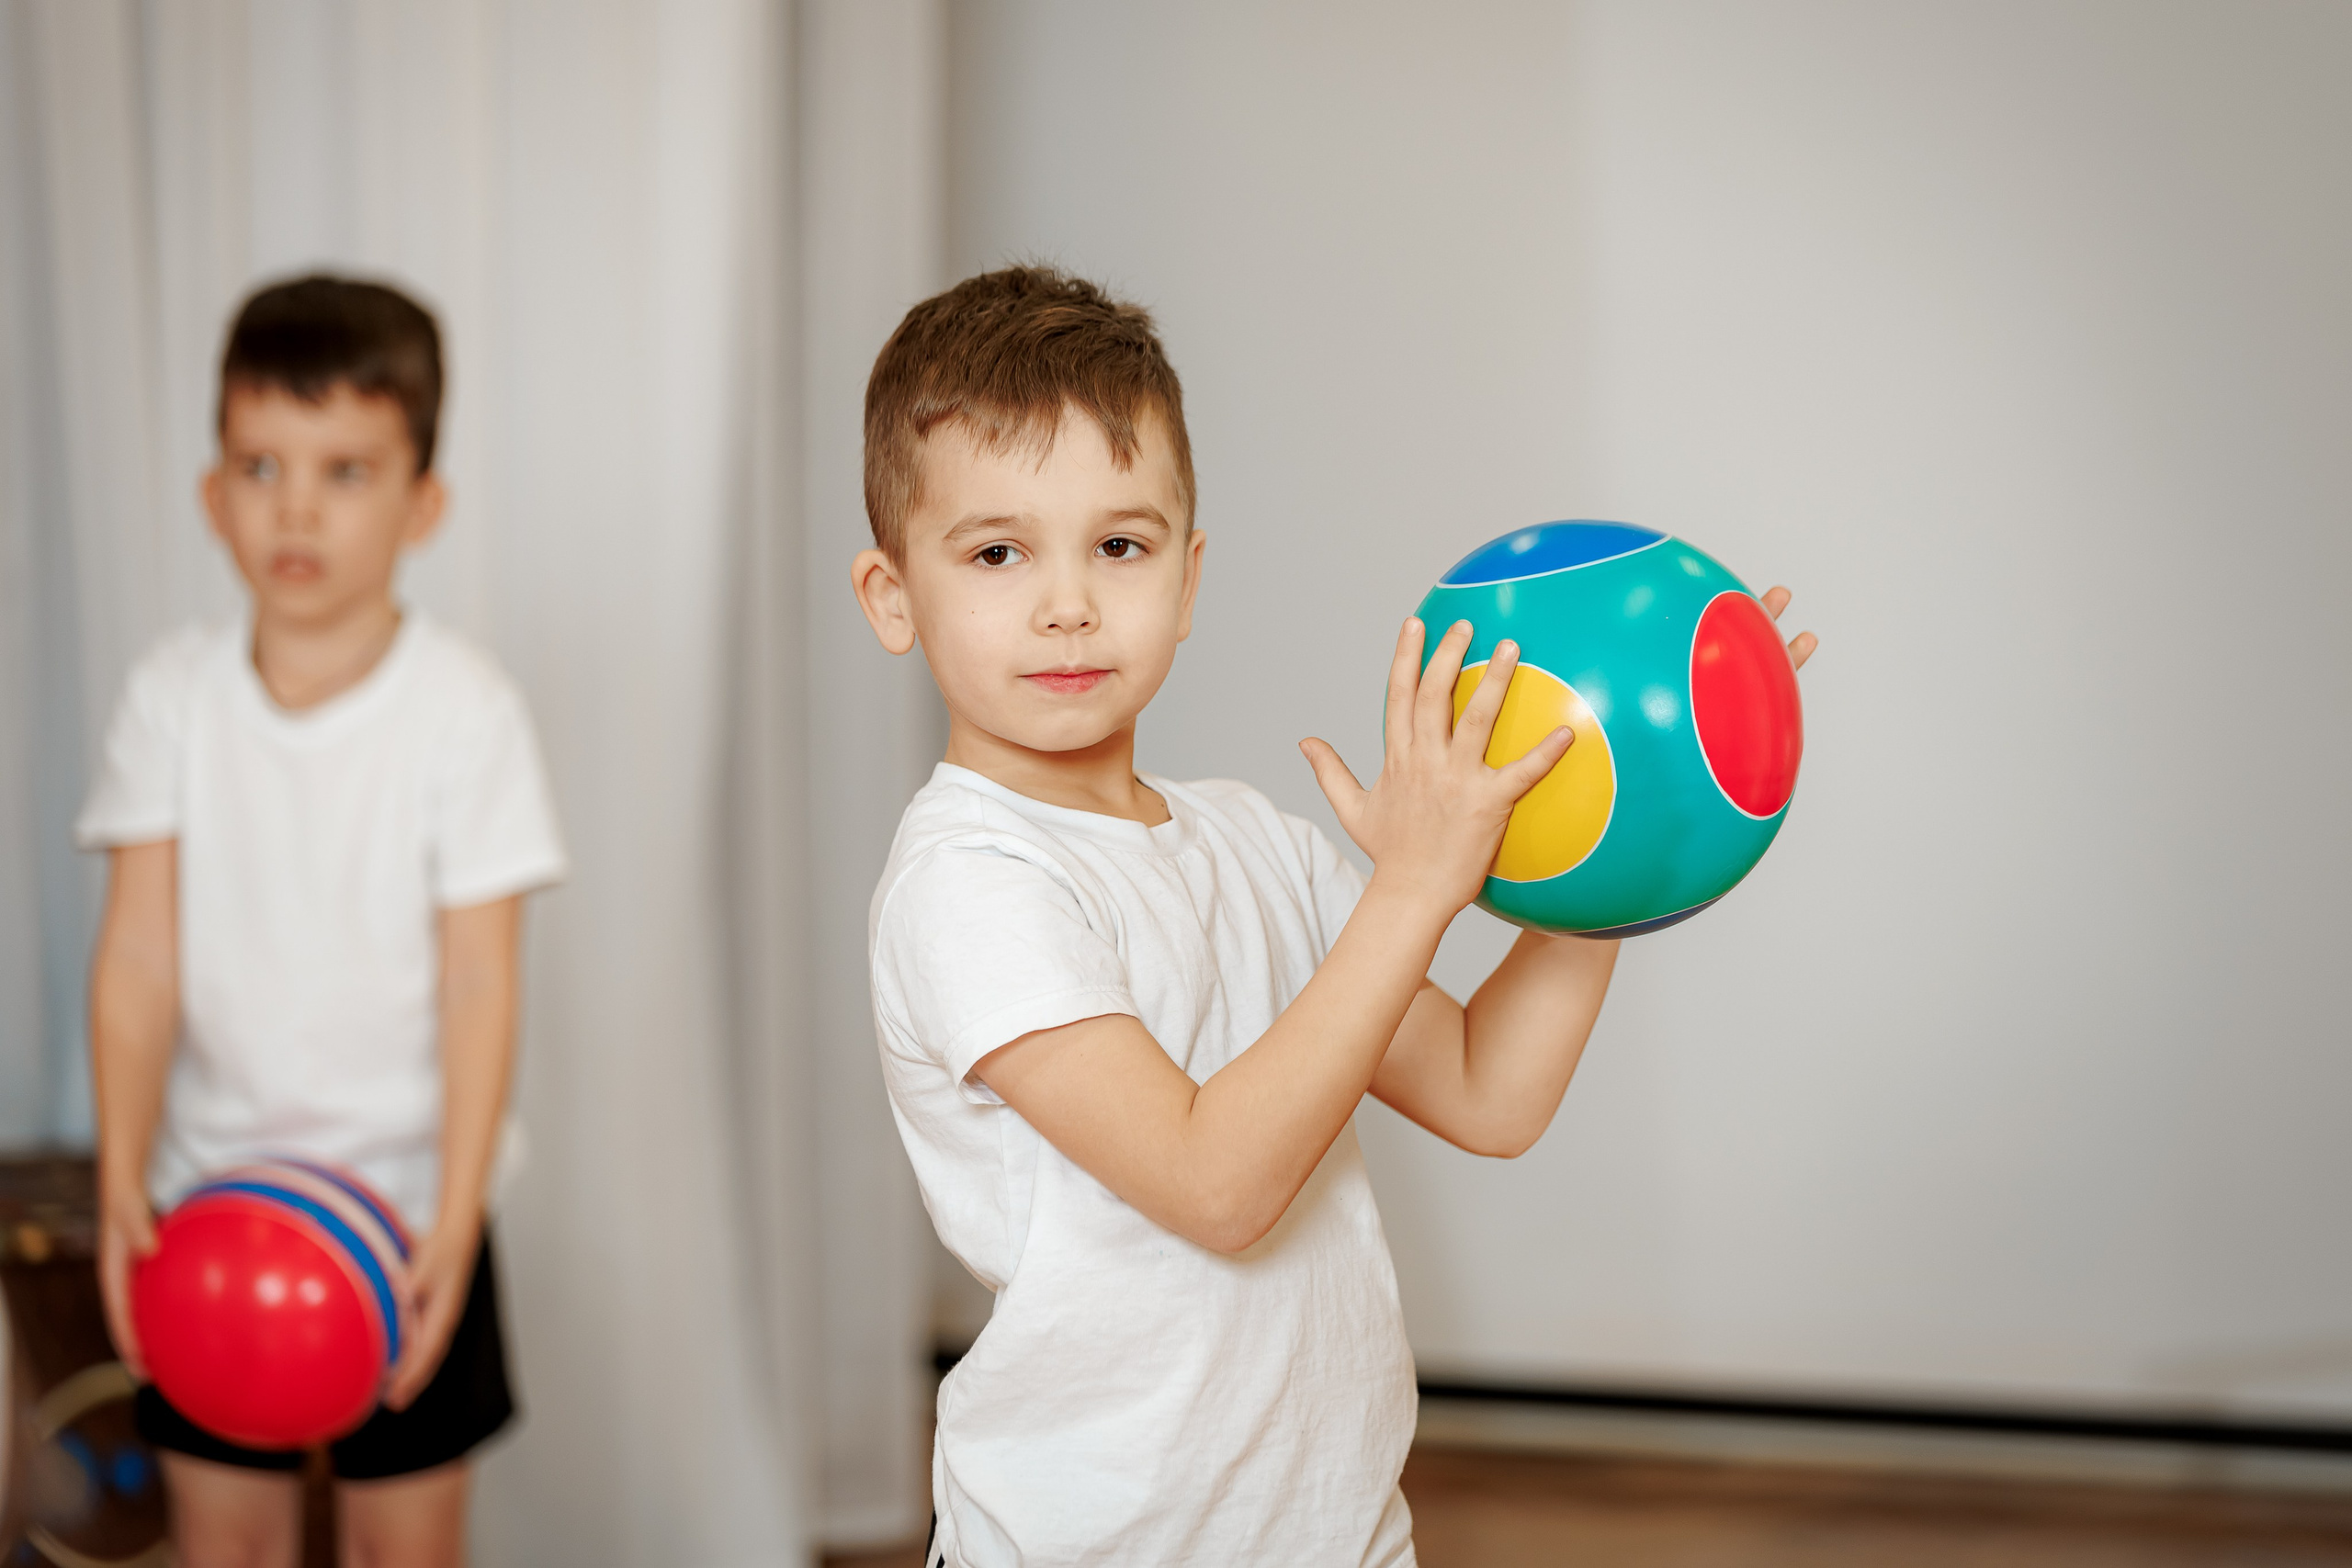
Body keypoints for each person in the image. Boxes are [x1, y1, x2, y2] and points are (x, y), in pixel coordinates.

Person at [853, 266, 1817, 1566]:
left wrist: (1628, 839)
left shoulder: (1254, 843)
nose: (1068, 600)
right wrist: (1416, 890)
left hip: (1337, 1538)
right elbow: (1215, 1185)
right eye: (997, 552)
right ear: (893, 599)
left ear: (1188, 581)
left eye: (1120, 545)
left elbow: (1489, 1094)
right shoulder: (967, 882)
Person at [80, 275, 566, 1568]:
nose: (296, 506)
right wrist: (121, 1177)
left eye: (346, 470)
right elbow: (135, 956)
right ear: (211, 494)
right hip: (202, 1206)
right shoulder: (171, 699)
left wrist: (457, 1220)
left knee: (402, 1551)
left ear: (423, 506)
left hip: (410, 1220)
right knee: (223, 1545)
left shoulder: (465, 711)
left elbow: (481, 985)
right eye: (261, 464)